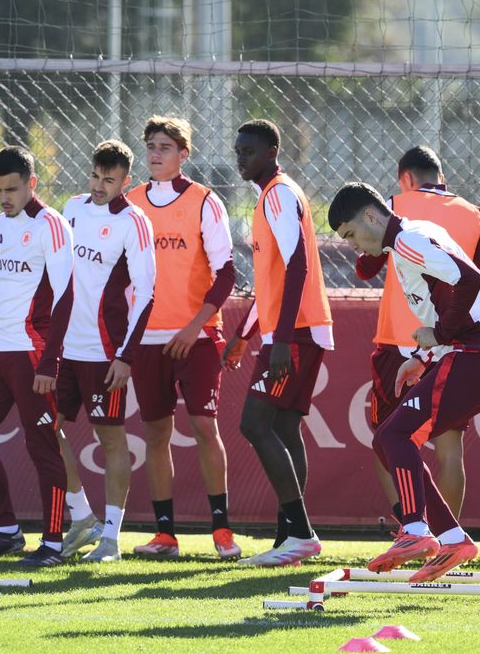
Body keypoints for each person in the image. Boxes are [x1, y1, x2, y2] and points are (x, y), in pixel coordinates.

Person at [328, 181, 480, 582]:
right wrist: (421, 358)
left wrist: (440, 336)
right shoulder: (406, 243)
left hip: (478, 357)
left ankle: (415, 529)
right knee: (387, 440)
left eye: (351, 234)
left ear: (371, 216)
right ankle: (452, 539)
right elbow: (445, 306)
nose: (354, 246)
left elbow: (470, 281)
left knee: (394, 435)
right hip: (472, 357)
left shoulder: (409, 240)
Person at [359, 146, 480, 527]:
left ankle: (411, 529)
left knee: (387, 441)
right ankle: (444, 539)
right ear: (442, 177)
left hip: (399, 340)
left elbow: (365, 267)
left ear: (405, 179)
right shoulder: (471, 213)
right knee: (450, 451)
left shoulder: (392, 208)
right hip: (454, 344)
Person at [126, 115, 241, 559]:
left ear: (183, 154)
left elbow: (226, 273)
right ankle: (165, 535)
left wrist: (194, 327)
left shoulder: (205, 201)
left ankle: (222, 530)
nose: (156, 154)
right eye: (151, 146)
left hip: (198, 337)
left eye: (165, 147)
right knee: (156, 434)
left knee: (204, 427)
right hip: (147, 339)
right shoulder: (131, 202)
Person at [222, 119, 334, 567]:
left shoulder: (279, 195)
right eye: (237, 151)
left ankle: (301, 534)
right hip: (295, 330)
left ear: (271, 152)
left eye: (248, 151)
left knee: (254, 425)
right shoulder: (269, 196)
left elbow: (298, 267)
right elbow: (272, 282)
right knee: (285, 429)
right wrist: (242, 336)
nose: (240, 158)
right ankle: (289, 539)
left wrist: (283, 338)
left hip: (295, 332)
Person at [0, 146, 73, 567]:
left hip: (31, 353)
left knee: (42, 446)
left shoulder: (51, 224)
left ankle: (53, 544)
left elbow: (65, 296)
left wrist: (50, 361)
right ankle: (6, 531)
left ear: (31, 184)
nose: (3, 197)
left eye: (11, 189)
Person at [54, 140, 156, 562]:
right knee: (45, 428)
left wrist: (125, 356)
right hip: (62, 350)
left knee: (111, 439)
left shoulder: (134, 222)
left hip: (104, 353)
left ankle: (111, 539)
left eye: (109, 180)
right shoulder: (72, 208)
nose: (99, 186)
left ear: (125, 181)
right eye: (95, 176)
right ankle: (81, 517)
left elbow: (146, 293)